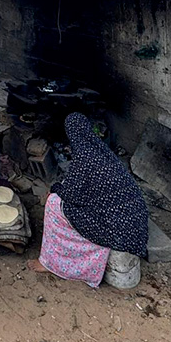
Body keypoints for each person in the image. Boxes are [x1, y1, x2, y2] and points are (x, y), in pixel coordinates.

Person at [27, 113, 149, 287]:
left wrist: (54, 189)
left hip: (119, 233)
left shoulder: (84, 158)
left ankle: (50, 262)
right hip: (137, 229)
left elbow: (70, 194)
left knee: (54, 202)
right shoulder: (104, 152)